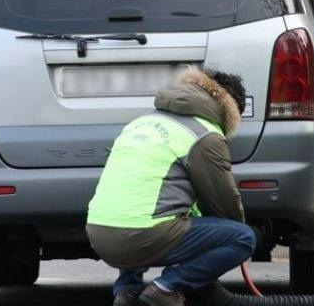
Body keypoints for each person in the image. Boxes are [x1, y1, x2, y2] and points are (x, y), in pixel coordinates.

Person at [86, 69, 255, 306]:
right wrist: (231, 226)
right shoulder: (204, 134)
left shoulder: (142, 122)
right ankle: (165, 288)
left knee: (141, 209)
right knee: (243, 237)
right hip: (140, 238)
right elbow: (223, 202)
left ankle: (127, 291)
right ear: (230, 109)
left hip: (99, 233)